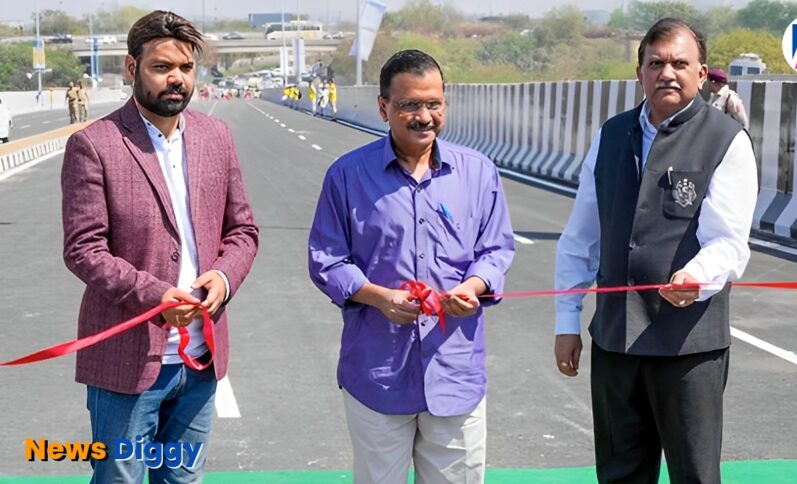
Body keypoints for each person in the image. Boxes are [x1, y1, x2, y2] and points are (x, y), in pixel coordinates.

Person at [554, 18, 757, 484]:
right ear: (639, 72)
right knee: (620, 473)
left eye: (680, 64)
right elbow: (580, 238)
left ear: (702, 74)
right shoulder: (610, 135)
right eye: (656, 63)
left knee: (695, 475)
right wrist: (566, 324)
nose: (667, 72)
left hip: (688, 348)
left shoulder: (725, 140)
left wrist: (696, 277)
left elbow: (728, 241)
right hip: (613, 342)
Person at [61, 10, 259, 482]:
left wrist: (224, 277)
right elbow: (84, 248)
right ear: (132, 68)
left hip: (201, 359)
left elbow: (243, 231)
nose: (177, 79)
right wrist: (156, 297)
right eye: (162, 67)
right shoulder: (95, 144)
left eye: (186, 69)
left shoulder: (217, 137)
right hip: (128, 360)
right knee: (120, 478)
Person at [308, 49, 515, 484]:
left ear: (445, 102)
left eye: (433, 104)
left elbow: (496, 250)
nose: (424, 116)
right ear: (384, 107)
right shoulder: (346, 176)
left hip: (454, 373)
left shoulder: (478, 173)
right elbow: (326, 259)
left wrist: (474, 287)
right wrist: (379, 297)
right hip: (378, 373)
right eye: (409, 106)